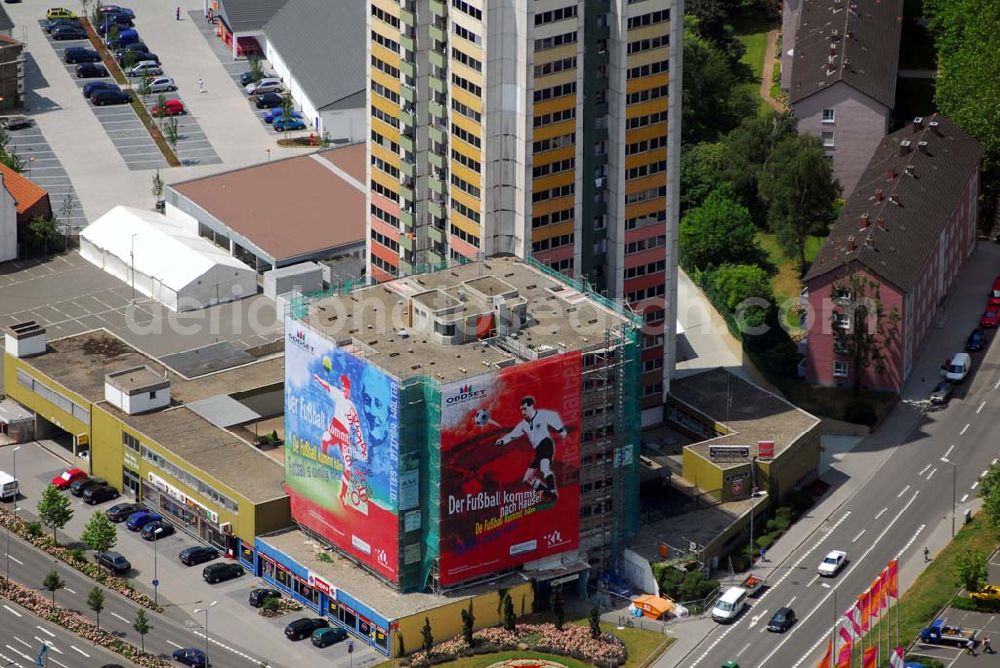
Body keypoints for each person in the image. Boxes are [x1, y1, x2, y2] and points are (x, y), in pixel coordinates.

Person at [496, 396, 568, 501]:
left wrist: (561, 430)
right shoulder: (523, 425)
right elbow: (512, 435)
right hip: (538, 450)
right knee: (528, 479)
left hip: (546, 444)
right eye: (521, 409)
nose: (523, 412)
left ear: (531, 406)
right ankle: (549, 494)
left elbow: (554, 416)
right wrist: (502, 440)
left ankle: (553, 491)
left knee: (544, 468)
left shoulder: (541, 414)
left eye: (525, 409)